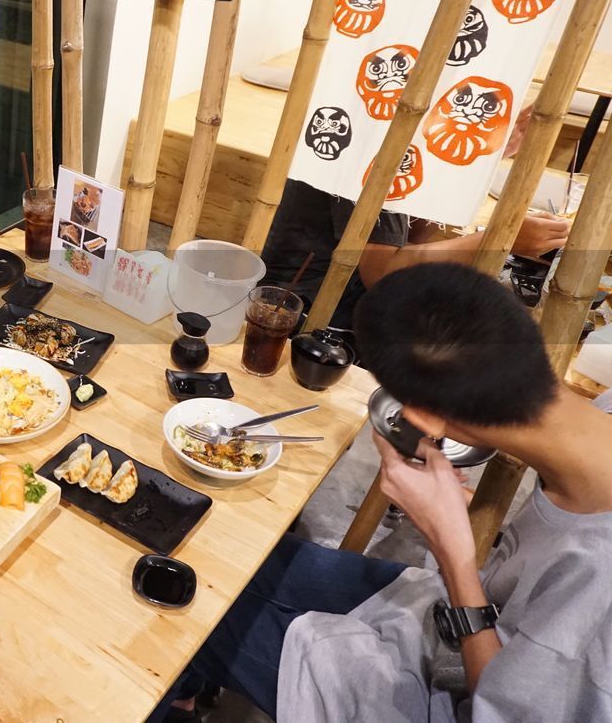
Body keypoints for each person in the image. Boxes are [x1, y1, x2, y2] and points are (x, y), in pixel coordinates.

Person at [164, 262, 612, 721]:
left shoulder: (597, 584)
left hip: (440, 697)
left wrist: (453, 553)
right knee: (213, 550)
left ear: (424, 421)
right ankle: (185, 692)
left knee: (179, 613)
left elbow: (503, 710)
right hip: (438, 622)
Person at [259, 178, 569, 329]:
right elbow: (382, 275)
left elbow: (409, 239)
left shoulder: (412, 140)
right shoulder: (385, 139)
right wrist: (502, 238)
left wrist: (464, 173)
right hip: (311, 313)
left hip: (350, 293)